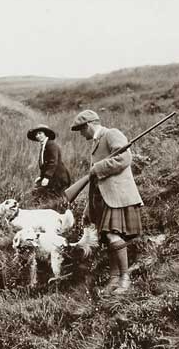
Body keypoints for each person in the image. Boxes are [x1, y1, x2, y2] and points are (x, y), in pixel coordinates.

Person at [70, 109, 143, 295]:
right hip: (105, 198)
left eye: (81, 130)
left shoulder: (111, 134)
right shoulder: (95, 142)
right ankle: (113, 280)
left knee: (113, 237)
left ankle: (125, 279)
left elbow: (125, 158)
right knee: (108, 240)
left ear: (88, 125)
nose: (80, 134)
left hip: (118, 196)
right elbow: (95, 180)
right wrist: (88, 206)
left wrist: (99, 166)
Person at [27, 124, 71, 209]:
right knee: (44, 194)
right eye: (36, 134)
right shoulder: (44, 146)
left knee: (56, 197)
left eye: (40, 133)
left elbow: (52, 162)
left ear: (46, 134)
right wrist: (41, 176)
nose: (37, 136)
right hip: (53, 177)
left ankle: (63, 212)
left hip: (58, 178)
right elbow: (45, 165)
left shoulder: (51, 145)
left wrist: (47, 177)